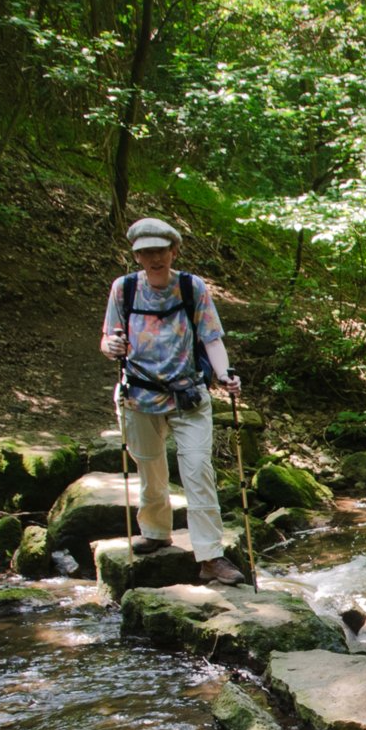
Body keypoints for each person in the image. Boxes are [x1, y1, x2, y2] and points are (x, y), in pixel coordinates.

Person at [99, 216, 246, 585]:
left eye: (160, 250)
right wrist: (110, 346)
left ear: (173, 250)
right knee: (149, 468)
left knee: (198, 471)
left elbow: (212, 338)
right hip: (138, 396)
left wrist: (225, 375)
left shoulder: (192, 288)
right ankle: (155, 531)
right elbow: (108, 339)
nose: (153, 258)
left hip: (189, 396)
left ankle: (211, 556)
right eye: (146, 252)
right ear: (137, 256)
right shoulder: (124, 289)